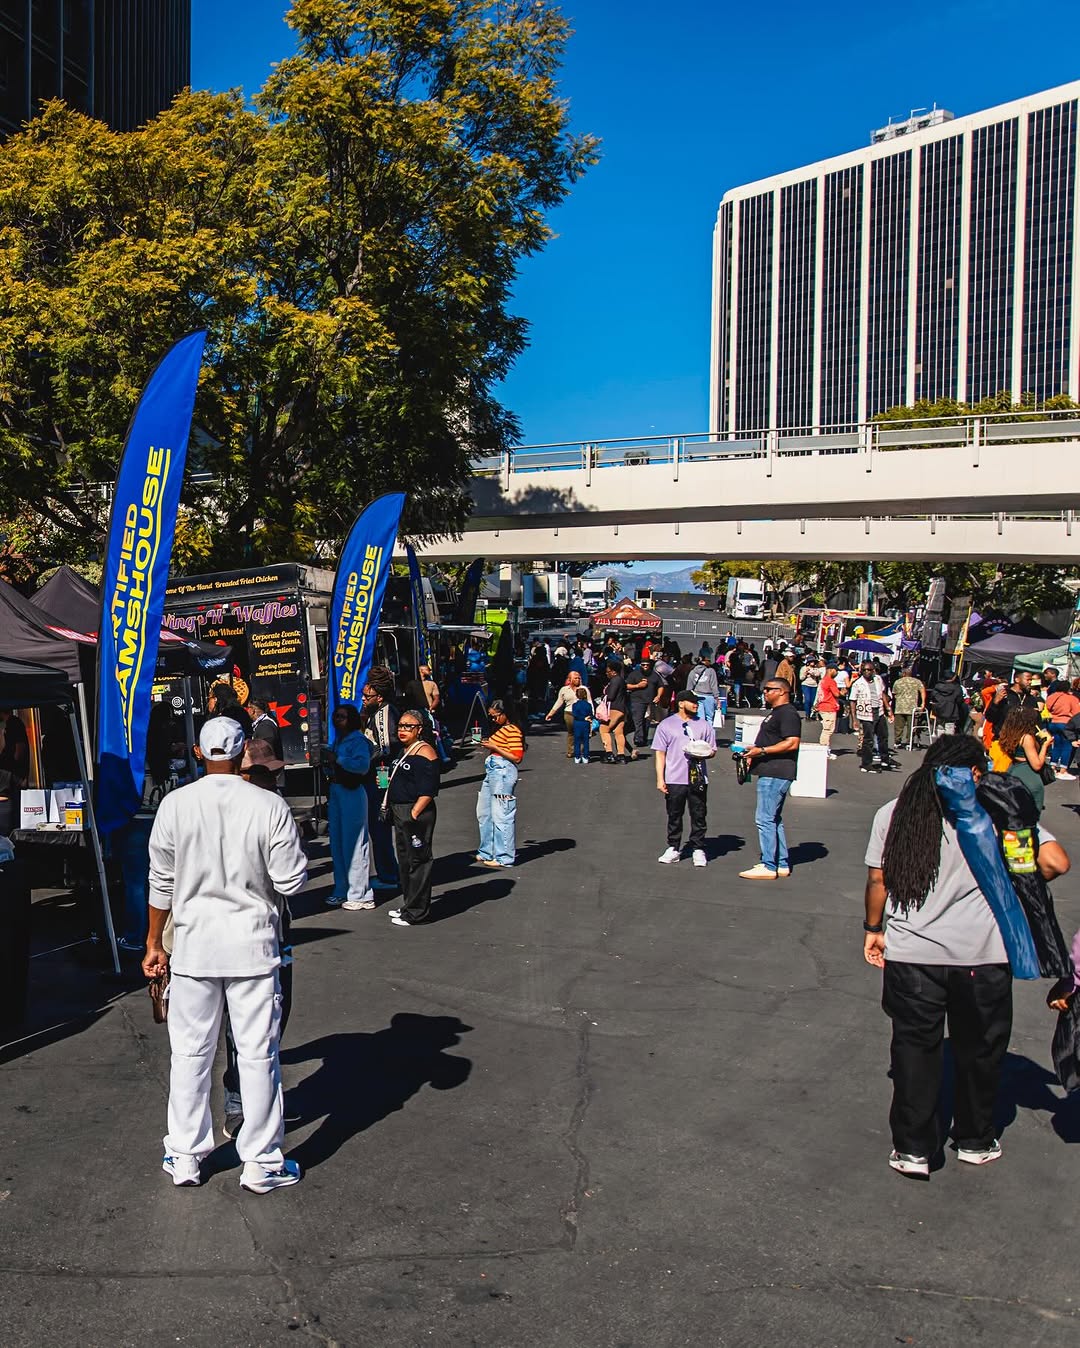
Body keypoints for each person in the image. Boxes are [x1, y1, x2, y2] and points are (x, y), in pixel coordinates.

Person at [862, 734, 1071, 1179]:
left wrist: (873, 929)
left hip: (913, 952)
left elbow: (879, 879)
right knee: (981, 1050)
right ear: (975, 773)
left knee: (914, 1050)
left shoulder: (895, 811)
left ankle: (914, 1149)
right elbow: (1056, 863)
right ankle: (975, 1139)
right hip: (983, 954)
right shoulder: (999, 811)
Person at [143, 717, 308, 1193]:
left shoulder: (175, 805)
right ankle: (260, 1162)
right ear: (244, 755)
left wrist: (155, 943)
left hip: (195, 947)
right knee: (257, 1054)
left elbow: (161, 884)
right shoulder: (268, 805)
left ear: (199, 752)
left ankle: (185, 1154)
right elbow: (291, 881)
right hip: (253, 947)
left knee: (190, 1053)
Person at [738, 678, 802, 880]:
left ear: (782, 691)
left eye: (768, 689)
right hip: (772, 771)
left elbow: (792, 743)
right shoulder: (777, 713)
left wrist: (762, 750)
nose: (764, 692)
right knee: (774, 819)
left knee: (764, 819)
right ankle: (781, 863)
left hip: (776, 772)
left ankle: (768, 865)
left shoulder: (788, 713)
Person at [384, 712, 441, 926]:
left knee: (418, 860)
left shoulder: (426, 751)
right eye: (400, 725)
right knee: (405, 860)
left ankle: (417, 912)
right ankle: (409, 905)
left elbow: (429, 788)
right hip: (399, 811)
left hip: (414, 812)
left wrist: (414, 812)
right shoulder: (404, 750)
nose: (402, 729)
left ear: (419, 729)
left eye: (408, 726)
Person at [653, 690, 716, 868]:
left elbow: (712, 751)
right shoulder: (666, 725)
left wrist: (703, 751)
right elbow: (660, 753)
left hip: (697, 778)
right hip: (675, 777)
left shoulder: (704, 725)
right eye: (692, 701)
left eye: (697, 702)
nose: (696, 704)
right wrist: (660, 778)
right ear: (681, 703)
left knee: (699, 813)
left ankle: (698, 848)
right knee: (674, 813)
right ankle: (673, 847)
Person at [324, 703, 375, 910]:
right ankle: (342, 888)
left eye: (342, 717)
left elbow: (362, 766)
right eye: (336, 716)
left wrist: (339, 759)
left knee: (355, 843)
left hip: (352, 791)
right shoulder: (338, 739)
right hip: (336, 789)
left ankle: (361, 893)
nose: (338, 720)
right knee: (337, 843)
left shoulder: (358, 740)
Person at [361, 668, 400, 891]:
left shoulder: (384, 713)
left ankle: (388, 875)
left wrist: (366, 760)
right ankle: (389, 871)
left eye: (368, 697)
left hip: (380, 776)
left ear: (380, 696)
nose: (364, 700)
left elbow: (386, 746)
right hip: (378, 774)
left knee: (380, 826)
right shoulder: (377, 712)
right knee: (379, 828)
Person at [476, 698, 526, 867]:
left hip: (502, 771)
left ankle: (504, 856)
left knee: (501, 814)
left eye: (495, 716)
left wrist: (495, 747)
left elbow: (517, 756)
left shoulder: (512, 730)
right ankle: (487, 850)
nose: (493, 720)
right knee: (484, 812)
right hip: (493, 770)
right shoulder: (503, 729)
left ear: (506, 714)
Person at [997, 707, 1052, 816]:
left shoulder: (1009, 734)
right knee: (1030, 816)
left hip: (1013, 771)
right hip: (1028, 776)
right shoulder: (1026, 738)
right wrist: (1045, 745)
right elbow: (1037, 765)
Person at [852, 660, 894, 773]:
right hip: (866, 714)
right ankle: (866, 764)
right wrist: (854, 719)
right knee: (868, 740)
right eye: (864, 670)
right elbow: (853, 701)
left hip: (879, 711)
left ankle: (885, 759)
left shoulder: (878, 679)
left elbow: (883, 694)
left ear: (873, 671)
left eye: (869, 670)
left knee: (883, 736)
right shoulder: (857, 684)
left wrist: (888, 709)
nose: (867, 672)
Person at [544, 669, 593, 758]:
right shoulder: (564, 689)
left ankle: (582, 750)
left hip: (583, 714)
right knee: (572, 732)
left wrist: (592, 714)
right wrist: (551, 713)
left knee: (583, 733)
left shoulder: (584, 689)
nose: (577, 679)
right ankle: (571, 750)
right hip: (569, 713)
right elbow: (559, 702)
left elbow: (590, 702)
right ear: (569, 680)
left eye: (579, 678)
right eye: (575, 678)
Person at [1044, 673, 1080, 780]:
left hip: (1052, 722)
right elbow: (1076, 713)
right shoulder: (1071, 698)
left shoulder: (1051, 696)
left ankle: (1053, 767)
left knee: (1057, 745)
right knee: (1067, 746)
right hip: (1066, 724)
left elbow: (1048, 708)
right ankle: (1063, 770)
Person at [626, 656, 665, 749]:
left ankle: (644, 738)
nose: (645, 667)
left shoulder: (654, 675)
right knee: (638, 720)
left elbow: (661, 686)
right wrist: (637, 686)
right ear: (640, 665)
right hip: (637, 701)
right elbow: (627, 685)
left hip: (650, 702)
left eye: (647, 665)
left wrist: (658, 696)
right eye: (643, 665)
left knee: (647, 721)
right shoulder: (634, 674)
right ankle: (638, 739)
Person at [598, 661, 630, 764]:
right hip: (622, 709)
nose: (607, 674)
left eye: (608, 672)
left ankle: (609, 754)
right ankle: (621, 755)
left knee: (604, 729)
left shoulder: (615, 681)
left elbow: (611, 696)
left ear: (613, 672)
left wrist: (604, 696)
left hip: (614, 708)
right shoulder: (622, 680)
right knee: (619, 732)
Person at [890, 668, 926, 751]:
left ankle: (897, 742)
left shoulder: (898, 682)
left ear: (903, 674)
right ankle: (909, 742)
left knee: (899, 727)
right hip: (912, 708)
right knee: (911, 726)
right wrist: (923, 703)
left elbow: (894, 694)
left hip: (900, 707)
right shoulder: (917, 681)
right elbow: (922, 691)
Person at [928, 670, 967, 737]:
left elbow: (933, 696)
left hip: (939, 709)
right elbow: (959, 699)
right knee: (950, 728)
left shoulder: (938, 686)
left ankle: (940, 743)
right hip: (952, 710)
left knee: (940, 727)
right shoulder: (957, 687)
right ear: (952, 678)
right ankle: (947, 745)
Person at [685, 656, 720, 728]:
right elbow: (714, 685)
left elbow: (689, 686)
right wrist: (717, 697)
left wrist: (688, 697)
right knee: (709, 717)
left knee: (700, 717)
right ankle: (708, 734)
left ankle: (700, 733)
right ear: (705, 662)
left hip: (697, 695)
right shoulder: (711, 671)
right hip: (709, 696)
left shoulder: (692, 672)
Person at [815, 663, 840, 759]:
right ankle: (824, 750)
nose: (837, 673)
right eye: (836, 670)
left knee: (826, 729)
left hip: (823, 706)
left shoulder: (822, 681)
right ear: (831, 670)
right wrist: (843, 691)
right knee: (828, 730)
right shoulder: (831, 681)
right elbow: (837, 694)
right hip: (829, 707)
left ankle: (825, 749)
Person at [0, 708, 30, 784]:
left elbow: (19, 750)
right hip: (12, 773)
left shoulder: (13, 723)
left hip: (13, 773)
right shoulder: (11, 724)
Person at [571, 687, 593, 764]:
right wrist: (587, 718)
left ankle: (577, 757)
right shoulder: (588, 705)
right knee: (586, 741)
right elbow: (591, 714)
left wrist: (582, 718)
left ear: (577, 695)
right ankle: (585, 757)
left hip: (577, 723)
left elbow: (574, 715)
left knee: (577, 741)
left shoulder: (574, 705)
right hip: (586, 724)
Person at [799, 655, 822, 720]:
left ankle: (812, 713)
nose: (813, 663)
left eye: (814, 661)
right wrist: (805, 673)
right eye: (811, 661)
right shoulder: (804, 668)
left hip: (814, 685)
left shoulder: (816, 668)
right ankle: (807, 714)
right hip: (806, 685)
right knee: (807, 699)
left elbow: (817, 674)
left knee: (812, 701)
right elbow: (801, 678)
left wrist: (812, 672)